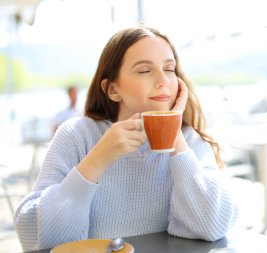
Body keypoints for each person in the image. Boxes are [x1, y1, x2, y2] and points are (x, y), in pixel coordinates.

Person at [14, 27, 238, 251]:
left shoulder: (189, 142)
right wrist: (98, 158)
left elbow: (211, 226)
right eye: (144, 71)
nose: (163, 81)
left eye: (169, 69)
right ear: (112, 89)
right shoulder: (76, 135)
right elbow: (33, 234)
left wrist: (173, 131)